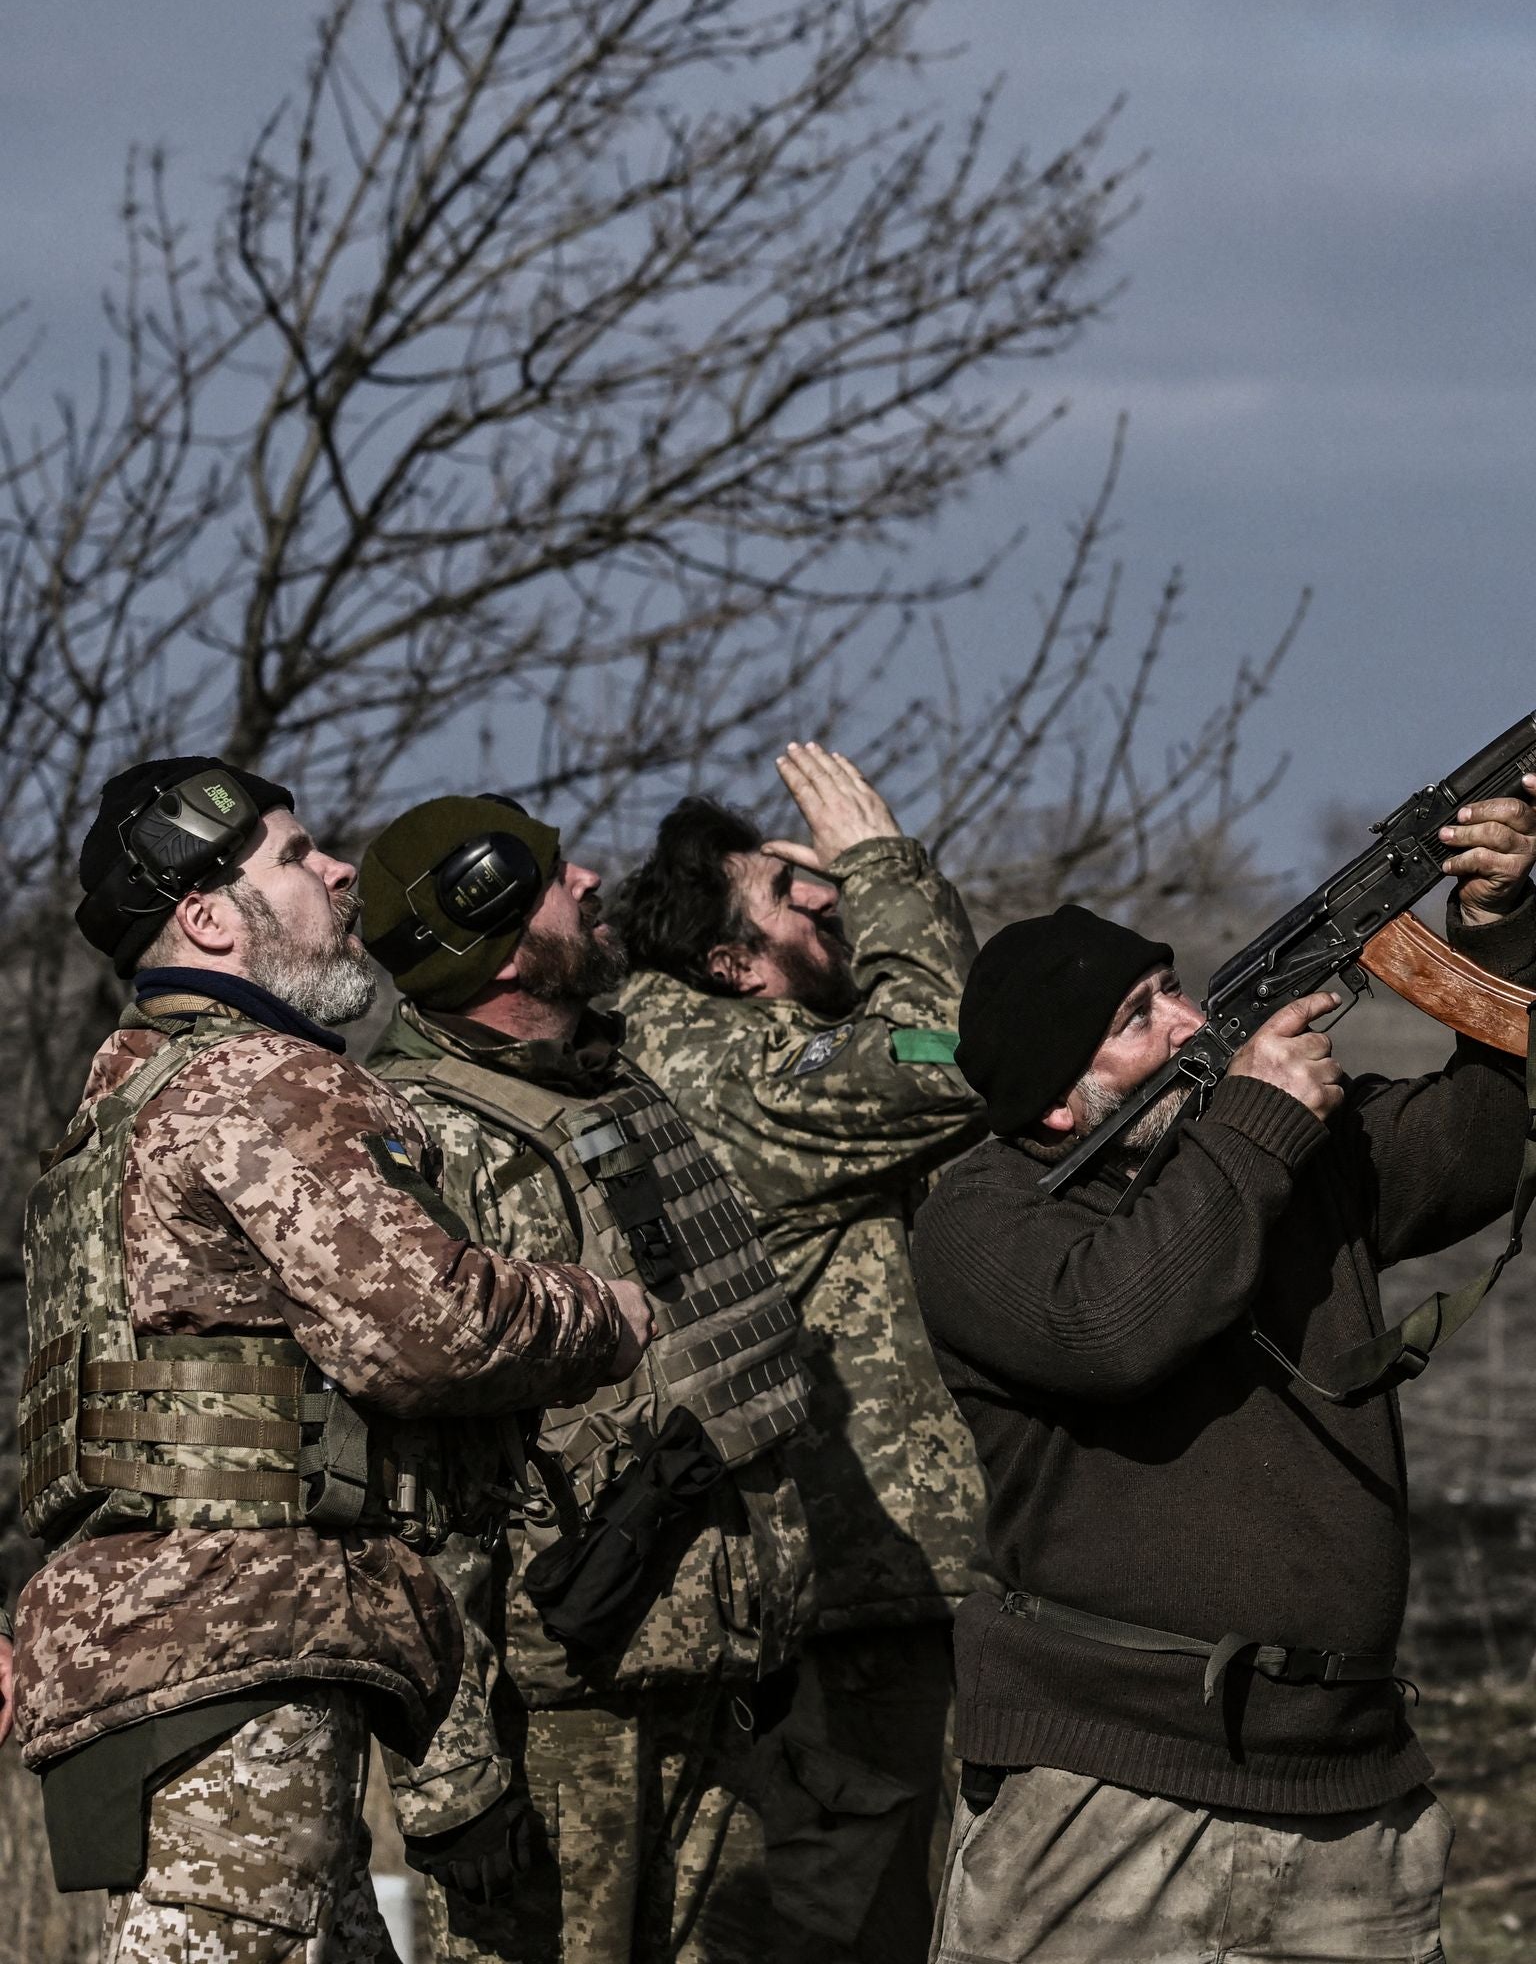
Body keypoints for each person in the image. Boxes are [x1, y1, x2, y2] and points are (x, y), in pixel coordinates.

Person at [912, 771, 1536, 1964]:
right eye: (1135, 1018)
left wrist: (1494, 921)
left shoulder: (1280, 1149)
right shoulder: (983, 1216)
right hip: (1102, 1789)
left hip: (1344, 1789)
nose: (1185, 1022)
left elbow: (1489, 1143)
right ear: (1060, 1104)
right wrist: (1259, 1122)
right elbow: (1114, 1326)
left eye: (1167, 989)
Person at [8, 758, 646, 1964]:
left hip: (166, 1648)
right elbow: (433, 1328)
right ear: (207, 916)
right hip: (243, 1639)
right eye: (295, 857)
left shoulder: (115, 1110)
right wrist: (604, 1314)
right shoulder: (262, 1078)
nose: (340, 868)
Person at [354, 794, 819, 1963]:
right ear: (503, 939)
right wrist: (451, 1773)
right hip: (554, 1726)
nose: (595, 880)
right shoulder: (424, 1138)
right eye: (561, 877)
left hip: (712, 1685)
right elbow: (394, 1488)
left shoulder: (604, 1084)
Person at [603, 744, 988, 1960]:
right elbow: (952, 1047)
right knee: (837, 1922)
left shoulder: (751, 1046)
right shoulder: (731, 1066)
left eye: (824, 878)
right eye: (789, 891)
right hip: (833, 1592)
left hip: (851, 1587)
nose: (823, 893)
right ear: (733, 963)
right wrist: (880, 858)